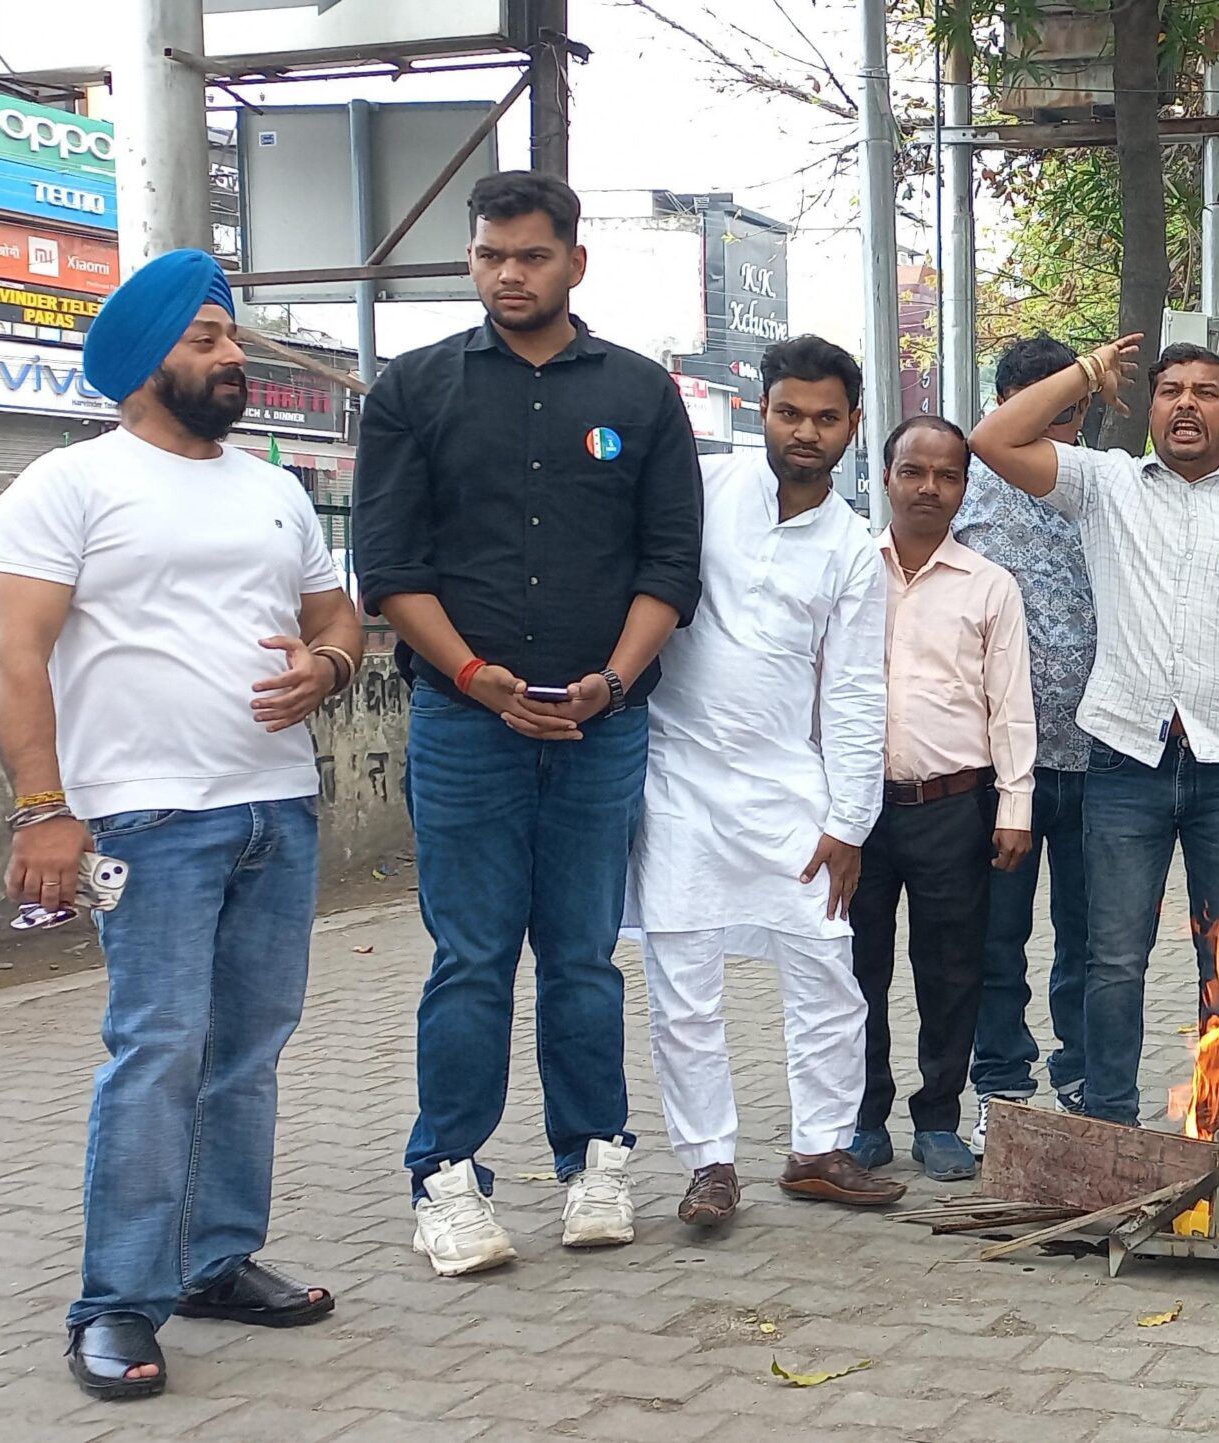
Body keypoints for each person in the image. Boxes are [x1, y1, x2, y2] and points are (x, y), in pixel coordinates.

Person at [0, 250, 361, 1400]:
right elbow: (16, 653)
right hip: (145, 822)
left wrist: (331, 663)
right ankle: (116, 1301)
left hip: (272, 807)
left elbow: (334, 609)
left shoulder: (273, 489)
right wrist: (45, 811)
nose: (231, 356)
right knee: (158, 1054)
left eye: (231, 336)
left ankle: (215, 1261)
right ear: (143, 360)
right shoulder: (67, 484)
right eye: (205, 339)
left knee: (246, 1052)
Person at [355, 171, 703, 1273]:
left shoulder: (644, 396)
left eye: (532, 255)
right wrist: (475, 678)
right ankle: (447, 1179)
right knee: (469, 958)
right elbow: (391, 569)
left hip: (603, 727)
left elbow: (670, 566)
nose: (510, 274)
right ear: (472, 260)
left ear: (574, 263)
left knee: (585, 956)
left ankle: (594, 1157)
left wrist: (609, 679)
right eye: (491, 255)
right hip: (466, 728)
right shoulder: (413, 389)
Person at [968, 337, 1219, 1131]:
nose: (1185, 404)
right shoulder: (1105, 485)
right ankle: (1110, 1122)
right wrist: (1083, 376)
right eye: (1170, 389)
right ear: (1148, 406)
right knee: (1113, 958)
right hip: (1127, 760)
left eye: (1205, 392)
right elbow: (993, 439)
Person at [629, 335, 902, 1224]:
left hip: (791, 785)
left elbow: (858, 690)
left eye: (827, 418)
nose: (806, 432)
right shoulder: (702, 492)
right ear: (762, 411)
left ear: (854, 427)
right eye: (790, 413)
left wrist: (852, 819)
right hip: (676, 777)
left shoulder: (855, 548)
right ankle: (709, 1162)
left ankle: (821, 1147)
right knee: (682, 978)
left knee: (828, 968)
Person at [856, 417, 1037, 1180]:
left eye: (948, 475)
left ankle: (939, 1117)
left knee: (952, 966)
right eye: (914, 472)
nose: (930, 487)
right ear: (887, 475)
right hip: (854, 810)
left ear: (965, 484)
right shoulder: (850, 570)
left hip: (952, 805)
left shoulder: (989, 585)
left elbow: (1011, 704)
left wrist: (1015, 806)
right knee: (854, 970)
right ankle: (861, 1116)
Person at [956, 336, 1100, 1145]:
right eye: (1041, 409)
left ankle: (1083, 1079)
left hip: (1096, 760)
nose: (1059, 428)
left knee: (1088, 936)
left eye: (1069, 413)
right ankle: (1000, 1089)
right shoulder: (965, 490)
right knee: (996, 937)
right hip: (997, 765)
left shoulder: (1104, 488)